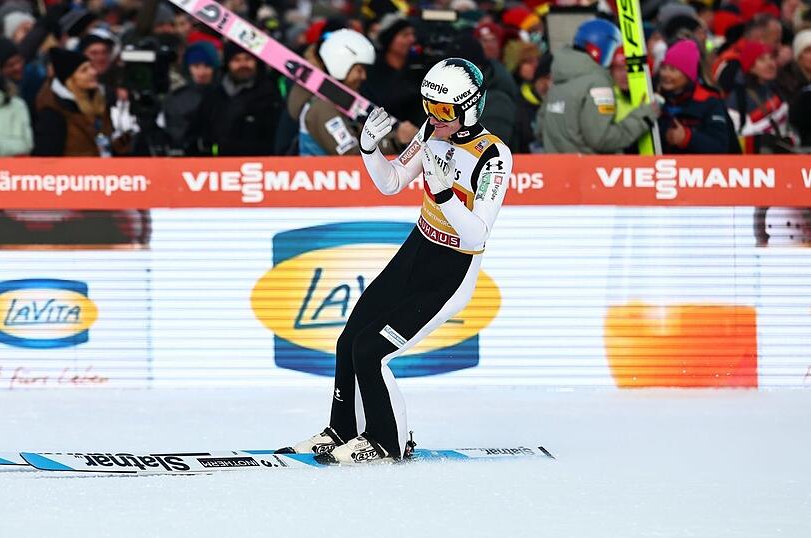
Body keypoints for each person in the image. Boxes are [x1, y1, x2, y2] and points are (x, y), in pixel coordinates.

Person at [279, 58, 512, 464]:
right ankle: (342, 430)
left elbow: (477, 234)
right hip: (417, 250)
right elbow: (390, 183)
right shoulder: (431, 131)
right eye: (427, 107)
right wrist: (369, 149)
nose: (433, 119)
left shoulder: (493, 156)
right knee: (349, 338)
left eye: (442, 111)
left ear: (470, 107)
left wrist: (442, 194)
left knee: (372, 350)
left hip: (451, 271)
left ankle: (390, 441)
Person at [537, 19, 659, 154]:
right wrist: (643, 117)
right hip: (590, 170)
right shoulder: (597, 83)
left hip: (556, 169)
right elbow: (602, 139)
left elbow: (540, 128)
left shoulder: (560, 76)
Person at [288, 29, 415, 156]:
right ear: (339, 66)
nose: (363, 77)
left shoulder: (339, 103)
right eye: (359, 70)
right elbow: (350, 155)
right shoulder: (323, 107)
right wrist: (396, 140)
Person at [188, 42, 281, 156]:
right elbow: (196, 136)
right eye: (236, 60)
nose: (243, 64)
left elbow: (276, 141)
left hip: (260, 167)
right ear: (228, 63)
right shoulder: (213, 97)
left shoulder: (271, 97)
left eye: (248, 59)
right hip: (215, 167)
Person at [32, 47, 129, 156]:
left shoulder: (101, 100)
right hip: (75, 172)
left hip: (107, 170)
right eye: (84, 70)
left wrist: (126, 135)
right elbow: (47, 158)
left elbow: (112, 146)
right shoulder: (53, 112)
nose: (93, 72)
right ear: (70, 80)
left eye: (91, 67)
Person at [656, 39, 738, 154]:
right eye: (664, 68)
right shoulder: (658, 100)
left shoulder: (709, 101)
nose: (665, 74)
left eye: (673, 70)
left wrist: (687, 138)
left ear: (688, 74)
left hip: (699, 170)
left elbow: (720, 147)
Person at [726, 40, 795, 153]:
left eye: (771, 58)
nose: (770, 64)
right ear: (751, 67)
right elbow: (735, 140)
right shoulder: (738, 99)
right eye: (762, 60)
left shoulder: (779, 88)